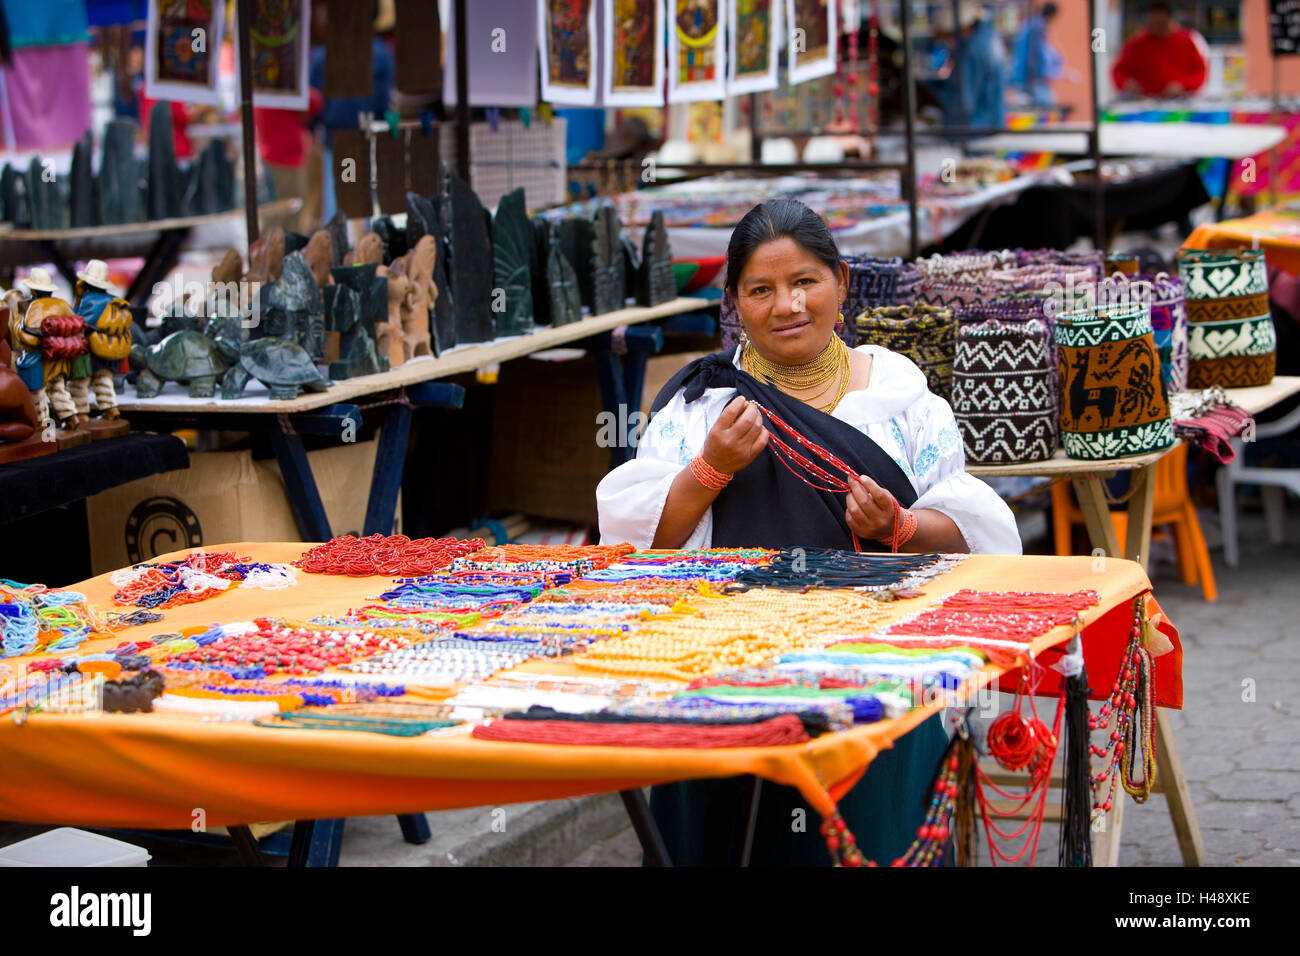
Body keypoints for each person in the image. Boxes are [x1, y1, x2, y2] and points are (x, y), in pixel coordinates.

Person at [597, 199, 1021, 865]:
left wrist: (901, 525)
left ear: (841, 283)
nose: (786, 306)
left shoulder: (904, 404)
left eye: (804, 283)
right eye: (760, 290)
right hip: (727, 671)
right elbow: (636, 549)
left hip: (878, 671)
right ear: (733, 300)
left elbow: (975, 535)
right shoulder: (698, 408)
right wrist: (711, 469)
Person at [1111, 1, 1207, 98]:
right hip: (1145, 101)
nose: (1157, 28)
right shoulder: (1136, 44)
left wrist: (1183, 85)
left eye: (1161, 23)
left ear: (1170, 19)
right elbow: (1118, 72)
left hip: (1179, 101)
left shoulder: (1187, 41)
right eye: (1153, 23)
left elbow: (1200, 73)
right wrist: (1126, 83)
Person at [934, 3, 1006, 130]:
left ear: (964, 29)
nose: (949, 41)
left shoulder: (973, 51)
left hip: (975, 129)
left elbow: (965, 102)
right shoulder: (987, 39)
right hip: (987, 126)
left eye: (949, 35)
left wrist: (936, 97)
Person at [1010, 3, 1062, 108]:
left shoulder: (1031, 23)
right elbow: (1033, 53)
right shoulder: (1038, 26)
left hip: (1025, 75)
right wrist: (1034, 77)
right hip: (1032, 78)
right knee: (1045, 107)